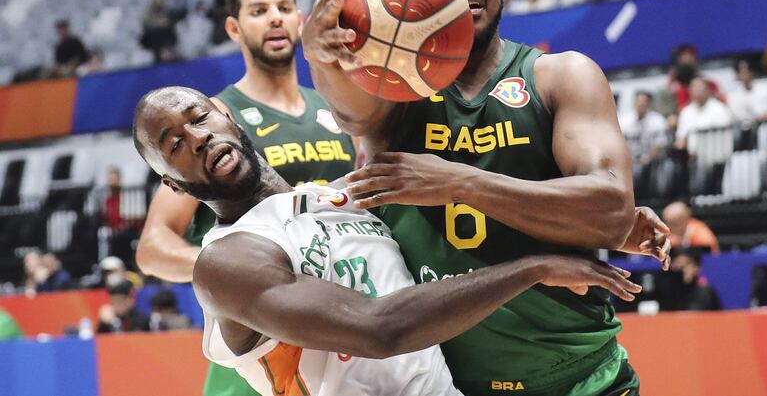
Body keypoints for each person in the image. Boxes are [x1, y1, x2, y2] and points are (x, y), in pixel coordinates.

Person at [302, 0, 670, 396]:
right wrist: (321, 56)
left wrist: (458, 182)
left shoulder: (561, 75)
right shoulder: (390, 93)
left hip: (577, 376)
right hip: (438, 384)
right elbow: (352, 111)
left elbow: (610, 212)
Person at [132, 86, 642, 395]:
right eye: (174, 144)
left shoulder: (338, 197)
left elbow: (461, 206)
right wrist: (535, 267)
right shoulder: (227, 261)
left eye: (199, 118)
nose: (196, 136)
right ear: (173, 184)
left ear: (229, 117)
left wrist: (605, 218)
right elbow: (379, 329)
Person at [135, 0, 356, 396]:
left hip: (334, 336)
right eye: (259, 10)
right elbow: (151, 248)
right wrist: (234, 274)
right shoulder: (210, 122)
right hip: (256, 349)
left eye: (284, 7)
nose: (275, 17)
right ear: (235, 28)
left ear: (300, 21)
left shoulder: (335, 111)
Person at [674, 76, 733, 154]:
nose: (697, 93)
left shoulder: (719, 108)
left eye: (700, 89)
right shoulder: (686, 111)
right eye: (694, 89)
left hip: (716, 154)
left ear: (708, 90)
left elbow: (723, 135)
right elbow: (681, 137)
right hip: (693, 157)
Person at [727, 58, 767, 124]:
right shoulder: (733, 96)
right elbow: (736, 116)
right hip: (746, 130)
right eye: (741, 72)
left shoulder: (765, 89)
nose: (744, 74)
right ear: (737, 75)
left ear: (752, 72)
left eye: (746, 71)